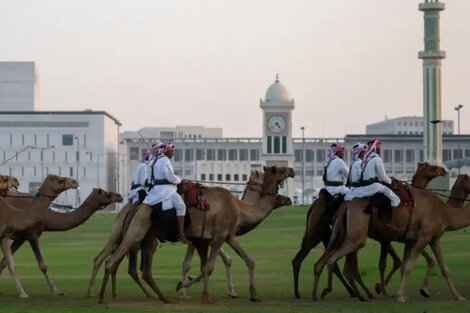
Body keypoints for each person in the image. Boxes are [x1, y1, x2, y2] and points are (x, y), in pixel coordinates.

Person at [143, 142, 190, 244]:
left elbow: (149, 180)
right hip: (167, 191)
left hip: (154, 192)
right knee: (181, 206)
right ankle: (181, 234)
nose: (173, 154)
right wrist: (180, 180)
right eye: (171, 151)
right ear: (164, 151)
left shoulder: (151, 162)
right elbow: (169, 176)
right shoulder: (165, 160)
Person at [347, 139, 400, 207]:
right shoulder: (377, 159)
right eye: (378, 147)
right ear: (375, 148)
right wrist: (390, 181)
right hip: (372, 187)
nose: (379, 149)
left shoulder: (367, 160)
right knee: (395, 198)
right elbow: (382, 177)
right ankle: (394, 208)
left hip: (363, 186)